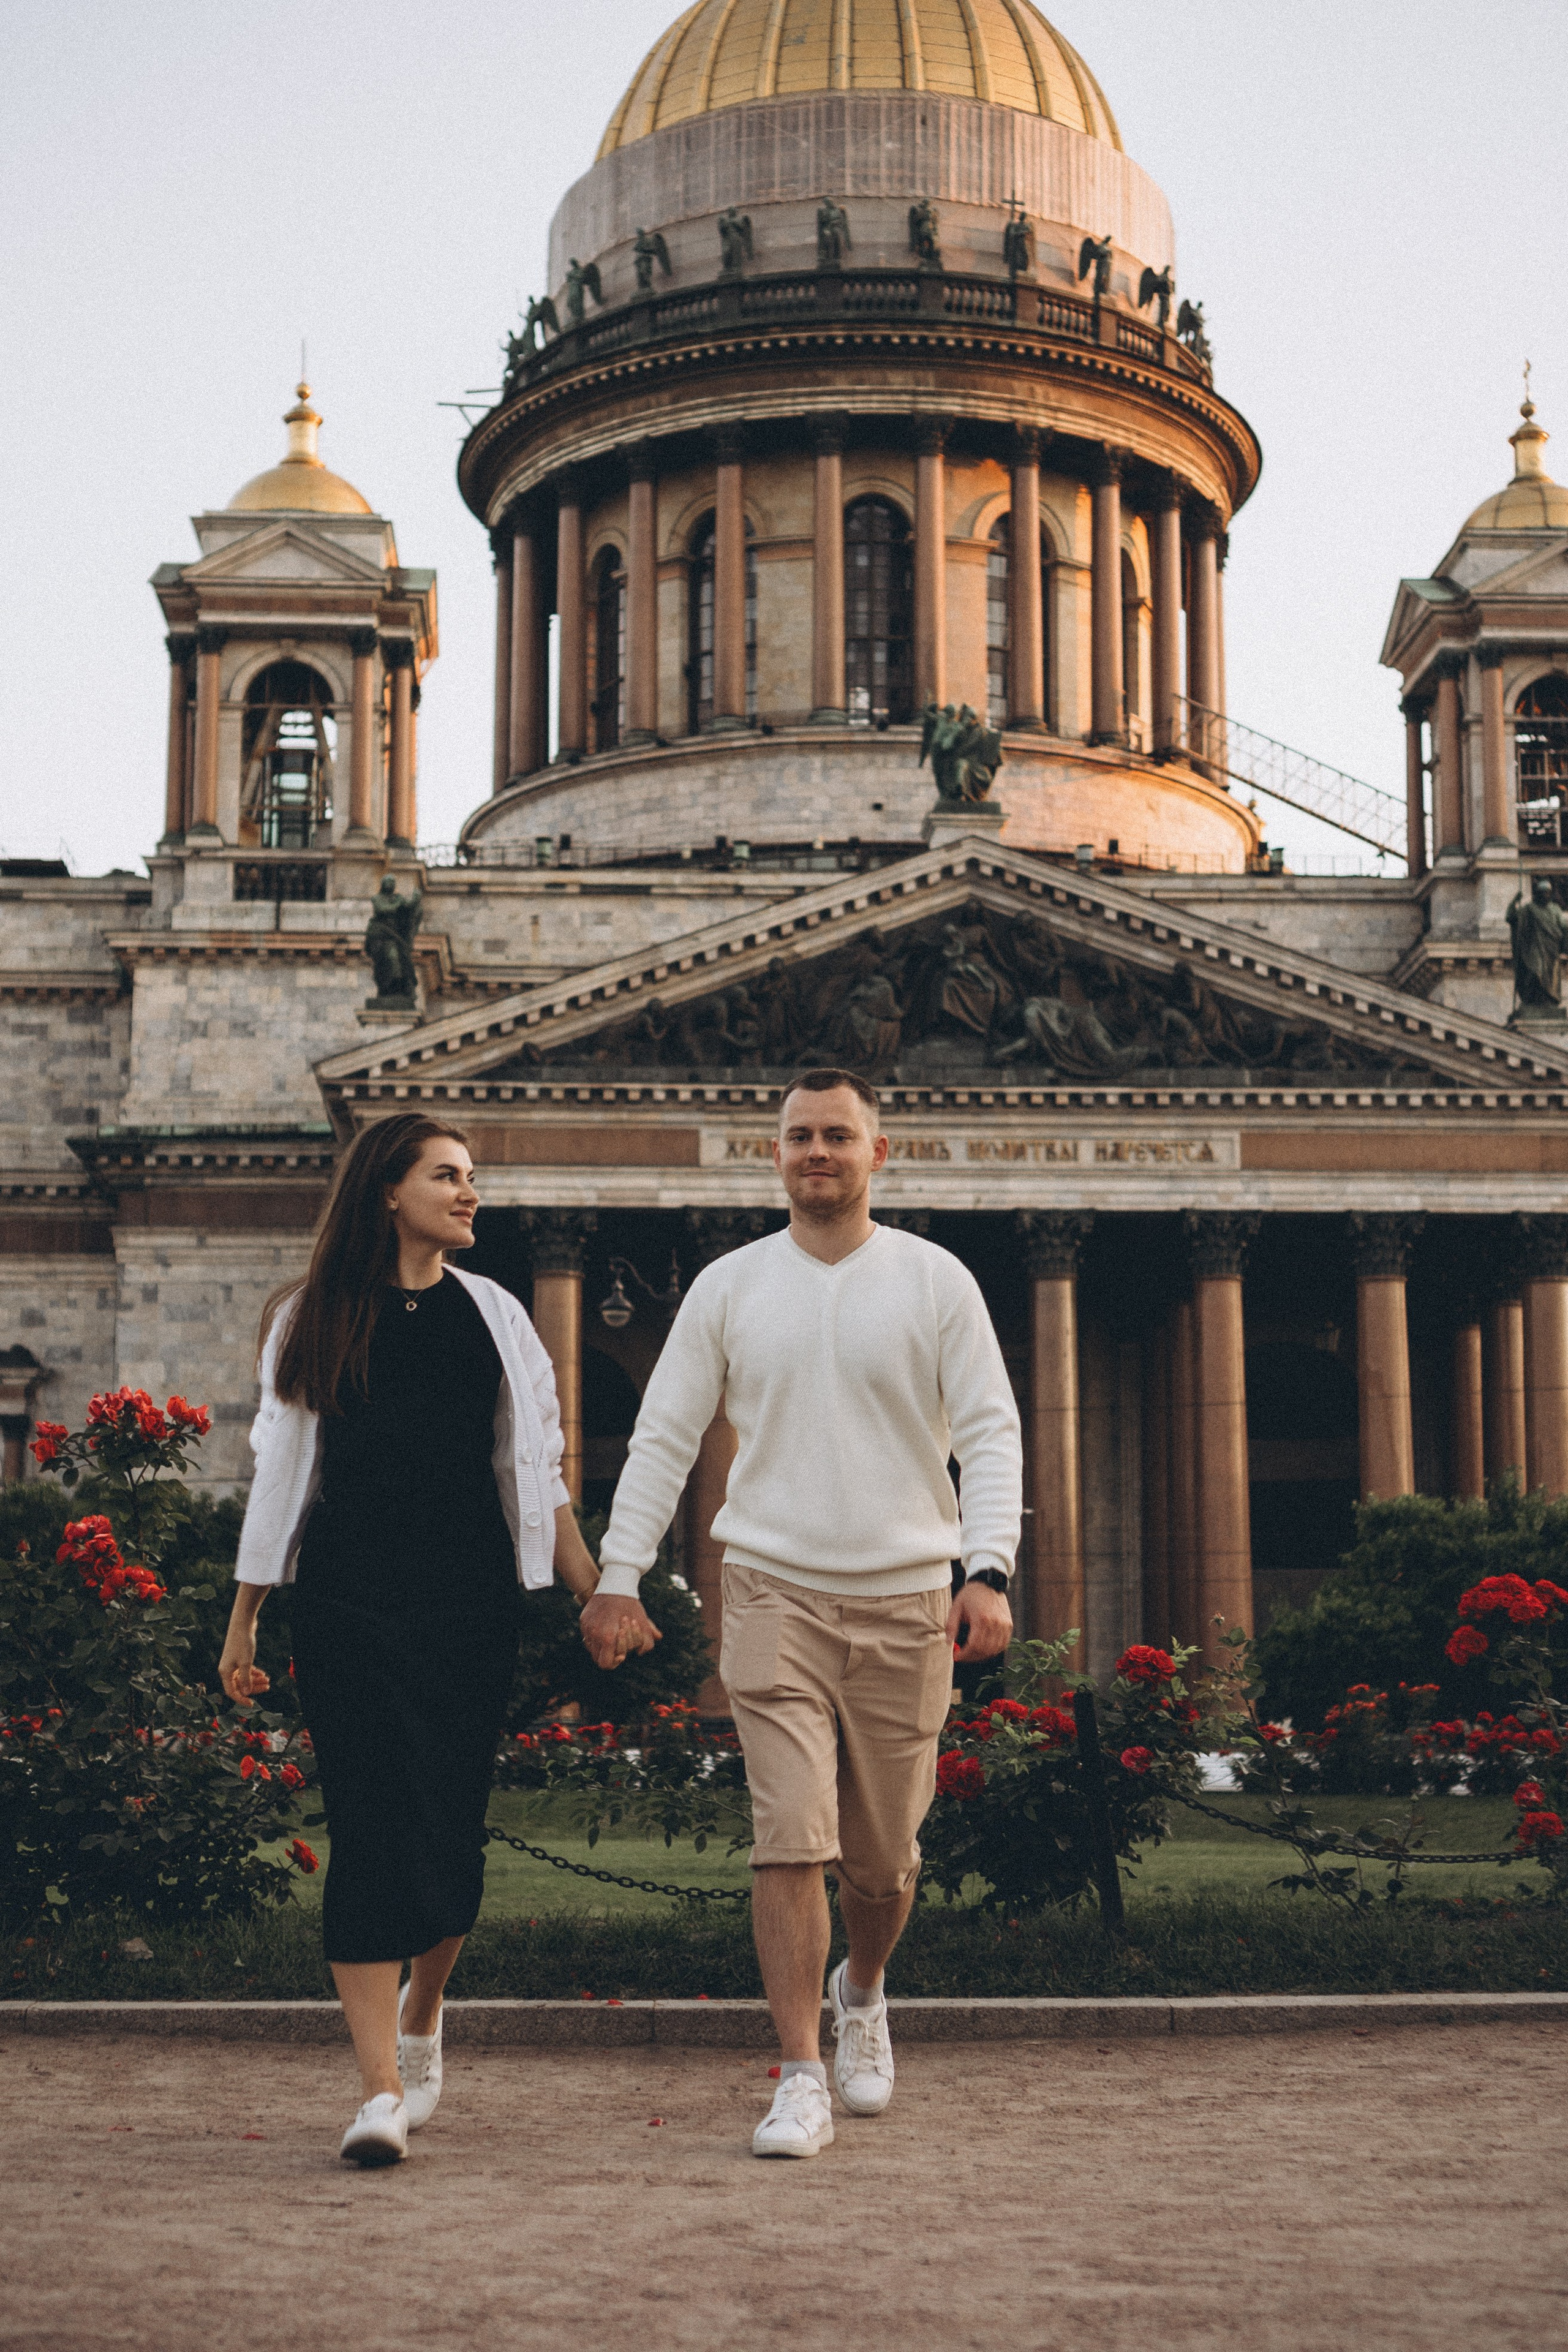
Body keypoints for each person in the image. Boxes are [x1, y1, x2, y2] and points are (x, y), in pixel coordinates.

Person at [581, 1068, 1021, 2158]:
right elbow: (663, 1438)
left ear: (881, 1152)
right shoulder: (730, 1288)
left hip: (907, 1600)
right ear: (773, 1157)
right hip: (770, 1590)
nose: (815, 1152)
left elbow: (992, 1432)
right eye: (796, 1138)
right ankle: (799, 2073)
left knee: (883, 1862)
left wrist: (990, 1569)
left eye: (836, 1135)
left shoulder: (935, 1281)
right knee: (789, 1836)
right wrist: (619, 1573)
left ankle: (861, 1989)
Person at [217, 1112, 600, 2168]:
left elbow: (539, 1476)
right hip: (346, 1606)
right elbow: (282, 1473)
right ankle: (380, 2090)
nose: (470, 1193)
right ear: (389, 1190)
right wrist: (246, 1616)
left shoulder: (500, 1317)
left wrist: (598, 1596)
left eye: (472, 1177)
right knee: (373, 1831)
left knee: (449, 1836)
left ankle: (426, 2014)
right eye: (448, 1175)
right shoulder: (311, 1315)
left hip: (469, 1607)